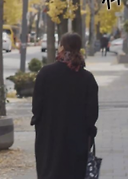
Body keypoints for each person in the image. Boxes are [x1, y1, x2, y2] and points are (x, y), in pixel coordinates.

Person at [31, 33, 99, 179]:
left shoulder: (45, 73)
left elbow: (37, 107)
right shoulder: (87, 78)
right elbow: (92, 113)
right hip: (77, 139)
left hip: (49, 138)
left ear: (61, 47)